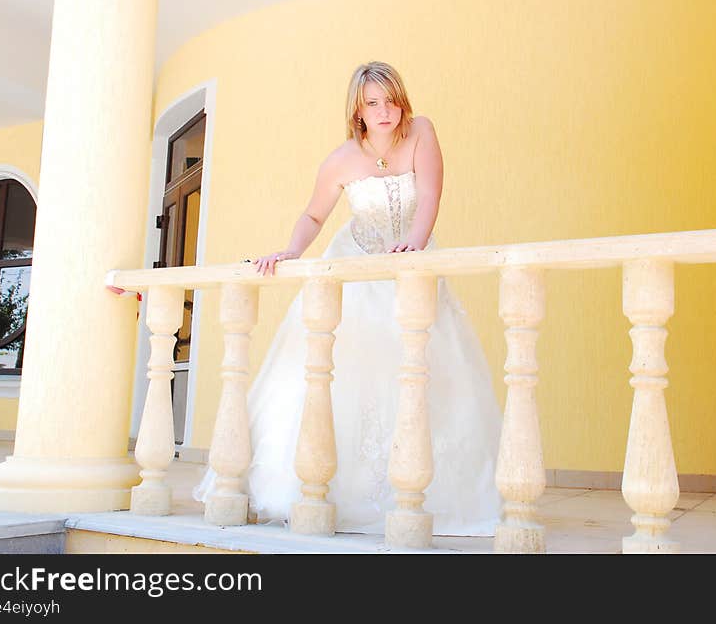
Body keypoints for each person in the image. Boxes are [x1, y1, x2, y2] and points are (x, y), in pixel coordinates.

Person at [194, 61, 502, 535]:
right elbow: (314, 216)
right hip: (355, 267)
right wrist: (291, 250)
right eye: (373, 103)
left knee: (427, 368)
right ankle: (325, 487)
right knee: (339, 370)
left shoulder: (421, 131)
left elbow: (433, 194)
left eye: (392, 100)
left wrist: (414, 249)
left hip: (410, 260)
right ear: (358, 111)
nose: (386, 111)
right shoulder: (340, 160)